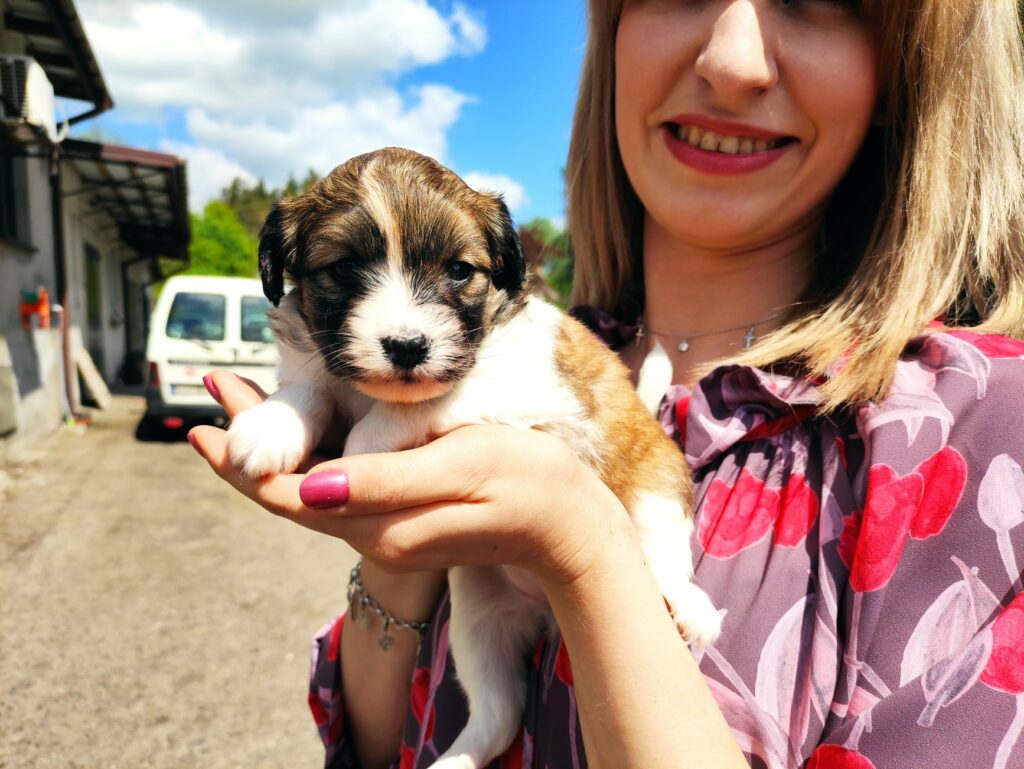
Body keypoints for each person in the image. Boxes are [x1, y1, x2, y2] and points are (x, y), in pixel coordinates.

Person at [189, 0, 1024, 767]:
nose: (732, 60)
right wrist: (392, 543)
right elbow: (371, 747)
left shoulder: (985, 428)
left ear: (905, 67)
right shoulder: (574, 335)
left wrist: (582, 545)